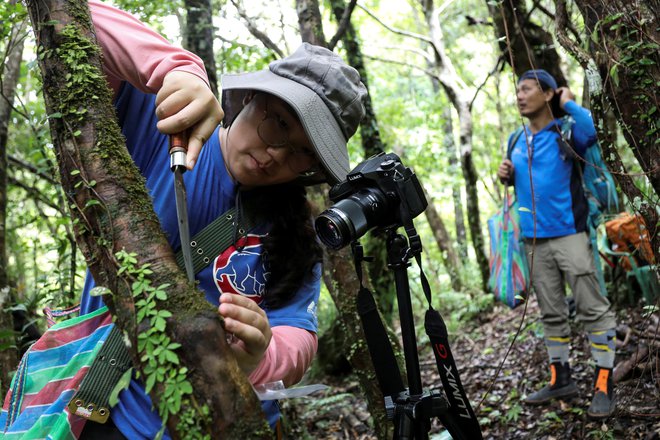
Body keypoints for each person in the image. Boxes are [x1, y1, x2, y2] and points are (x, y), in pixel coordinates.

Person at [79, 1, 365, 438]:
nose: (277, 156)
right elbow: (78, 16)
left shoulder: (297, 230)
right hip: (116, 413)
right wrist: (176, 68)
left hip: (226, 422)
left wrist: (261, 353)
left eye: (304, 153)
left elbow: (300, 334)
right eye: (279, 126)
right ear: (251, 98)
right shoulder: (166, 125)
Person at [497, 69, 617, 419]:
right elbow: (517, 180)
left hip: (570, 234)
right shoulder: (516, 140)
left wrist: (568, 102)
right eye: (517, 90)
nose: (520, 96)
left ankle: (604, 382)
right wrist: (504, 174)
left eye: (527, 89)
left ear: (547, 93)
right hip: (534, 241)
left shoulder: (566, 130)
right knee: (551, 313)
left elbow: (593, 131)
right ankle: (560, 378)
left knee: (592, 308)